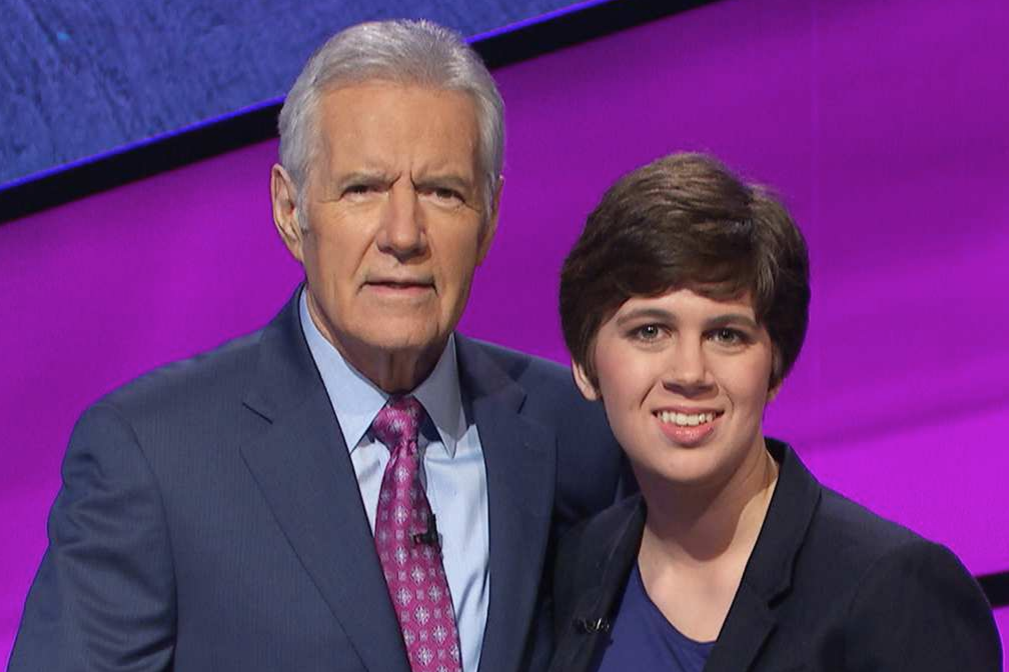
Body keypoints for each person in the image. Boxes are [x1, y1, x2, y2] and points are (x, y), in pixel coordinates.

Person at [9, 20, 625, 672]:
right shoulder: (153, 456)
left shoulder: (576, 429)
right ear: (289, 210)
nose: (403, 234)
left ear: (490, 216)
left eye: (442, 192)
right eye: (363, 189)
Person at [549, 152, 1001, 672]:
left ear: (776, 368)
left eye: (726, 335)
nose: (690, 372)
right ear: (585, 365)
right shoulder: (575, 568)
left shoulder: (895, 594)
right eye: (650, 331)